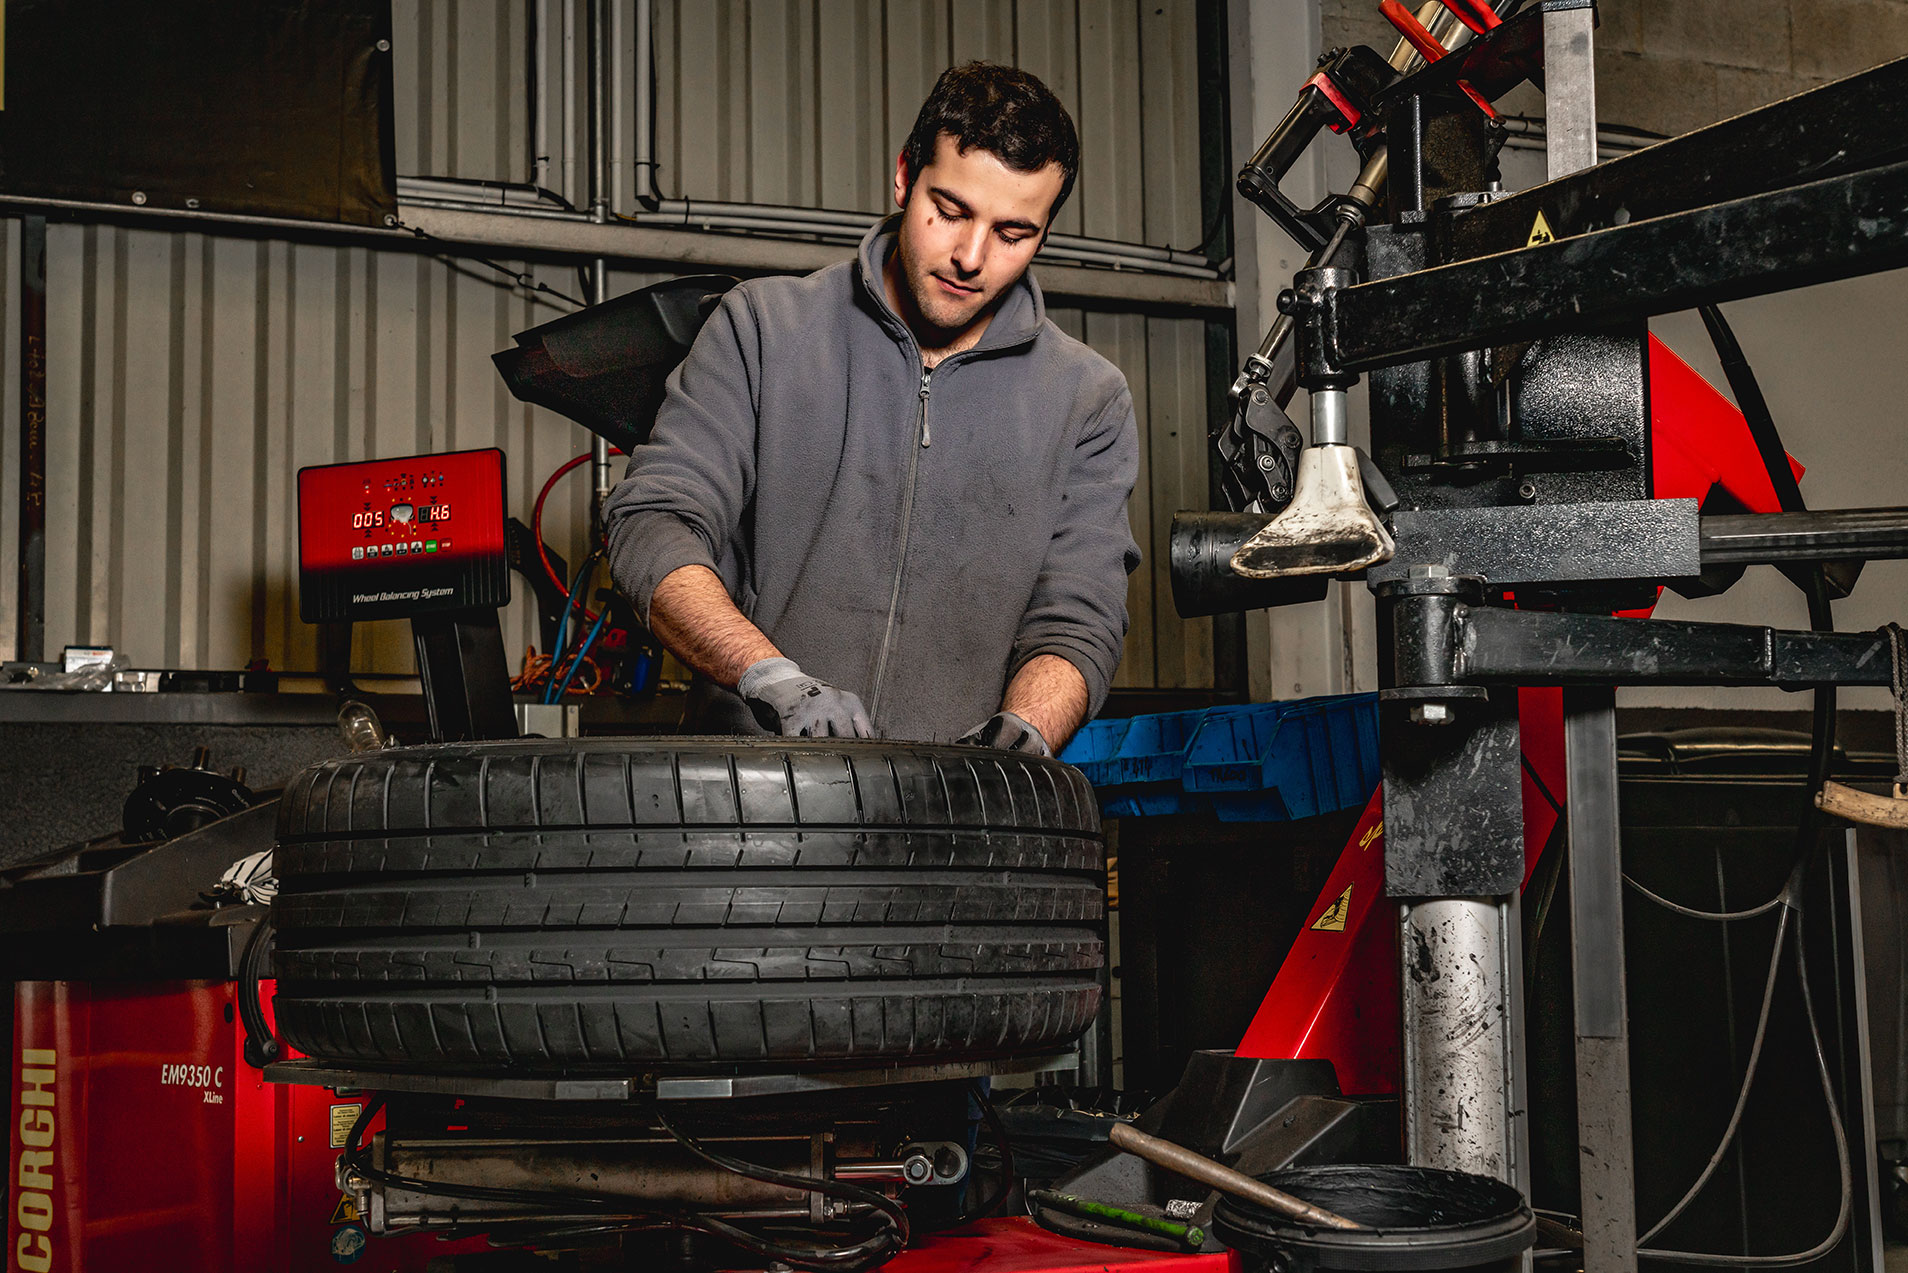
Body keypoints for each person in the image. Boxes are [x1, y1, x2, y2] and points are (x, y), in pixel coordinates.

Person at [604, 62, 1140, 755]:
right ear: (902, 176)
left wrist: (1031, 726)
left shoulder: (1087, 400)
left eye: (1013, 234)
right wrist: (769, 678)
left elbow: (1078, 620)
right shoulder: (763, 330)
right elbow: (653, 525)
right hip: (747, 805)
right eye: (948, 210)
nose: (971, 257)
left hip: (952, 826)